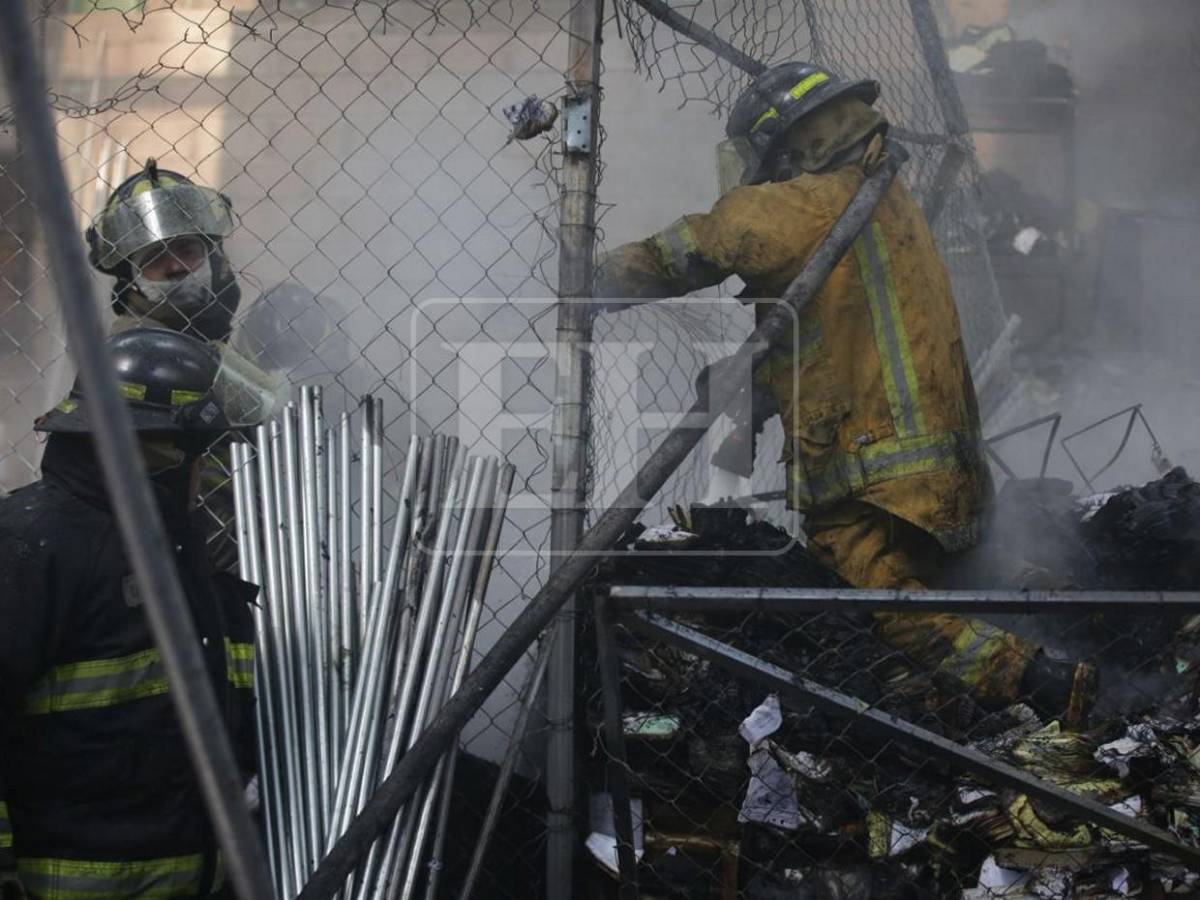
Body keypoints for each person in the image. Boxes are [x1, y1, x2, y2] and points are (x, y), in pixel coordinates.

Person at [595, 62, 1091, 719]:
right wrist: (763, 381)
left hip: (875, 476)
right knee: (942, 594)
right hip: (941, 467)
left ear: (793, 138)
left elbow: (694, 246)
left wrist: (581, 275)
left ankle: (1042, 682)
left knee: (881, 606)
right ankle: (1048, 614)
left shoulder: (807, 202)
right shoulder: (887, 205)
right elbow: (847, 336)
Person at [0, 328, 278, 898]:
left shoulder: (177, 549)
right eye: (207, 452)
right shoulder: (31, 545)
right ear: (163, 455)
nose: (212, 474)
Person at [86, 159, 242, 342]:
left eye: (187, 252)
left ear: (211, 256)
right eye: (155, 258)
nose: (176, 266)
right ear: (132, 279)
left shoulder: (220, 332)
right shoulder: (135, 347)